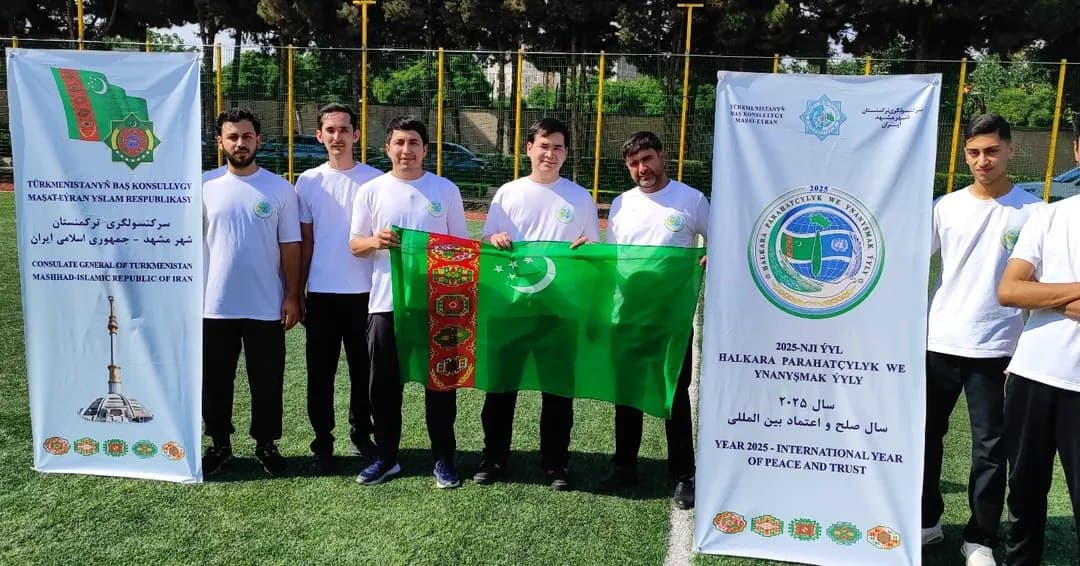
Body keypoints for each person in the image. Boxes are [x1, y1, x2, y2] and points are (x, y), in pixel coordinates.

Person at [922, 113, 1044, 566]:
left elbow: (1039, 287)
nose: (982, 161)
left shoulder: (1034, 211)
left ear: (1010, 150)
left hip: (997, 348)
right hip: (939, 341)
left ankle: (980, 539)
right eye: (973, 153)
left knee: (991, 447)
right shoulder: (945, 206)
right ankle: (926, 521)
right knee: (926, 436)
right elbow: (910, 262)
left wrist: (1025, 348)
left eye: (992, 151)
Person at [473, 117, 600, 491]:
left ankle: (556, 463)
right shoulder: (508, 194)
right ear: (528, 148)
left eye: (558, 147)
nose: (550, 153)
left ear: (565, 153)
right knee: (500, 388)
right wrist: (492, 237)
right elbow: (486, 241)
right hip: (512, 309)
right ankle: (493, 457)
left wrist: (589, 248)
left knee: (558, 390)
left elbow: (592, 250)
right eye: (544, 146)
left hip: (559, 312)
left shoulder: (579, 197)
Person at [349, 116, 468, 488]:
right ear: (388, 148)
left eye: (414, 142)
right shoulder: (371, 190)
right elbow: (355, 245)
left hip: (438, 305)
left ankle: (444, 459)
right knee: (383, 387)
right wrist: (376, 242)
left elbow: (461, 248)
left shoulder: (445, 190)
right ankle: (387, 458)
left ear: (425, 150)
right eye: (399, 142)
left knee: (440, 386)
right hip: (386, 304)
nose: (406, 150)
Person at [599, 131, 708, 510]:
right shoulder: (621, 204)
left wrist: (712, 255)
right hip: (627, 315)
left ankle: (684, 475)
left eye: (647, 159)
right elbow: (610, 258)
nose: (642, 169)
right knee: (626, 395)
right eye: (633, 163)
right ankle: (624, 465)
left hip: (671, 319)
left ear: (662, 156)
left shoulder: (691, 199)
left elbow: (719, 240)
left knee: (673, 396)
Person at [997, 115, 1080, 566]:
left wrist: (1047, 293)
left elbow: (1030, 290)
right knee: (1024, 494)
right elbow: (1010, 290)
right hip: (1033, 375)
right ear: (1077, 151)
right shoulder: (1050, 216)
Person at [201, 107, 302, 477]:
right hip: (213, 305)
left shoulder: (280, 189)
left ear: (259, 140)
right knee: (214, 380)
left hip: (265, 304)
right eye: (232, 137)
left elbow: (291, 246)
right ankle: (219, 444)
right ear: (220, 142)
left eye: (246, 136)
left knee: (267, 380)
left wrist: (292, 294)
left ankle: (266, 443)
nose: (240, 143)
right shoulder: (203, 185)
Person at [295, 103, 382, 474]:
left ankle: (362, 433)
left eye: (344, 129)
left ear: (356, 135)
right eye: (330, 130)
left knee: (365, 372)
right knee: (320, 372)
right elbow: (304, 241)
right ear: (319, 136)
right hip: (322, 295)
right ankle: (322, 441)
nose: (337, 136)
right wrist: (297, 291)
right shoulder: (308, 181)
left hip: (367, 293)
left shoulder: (375, 180)